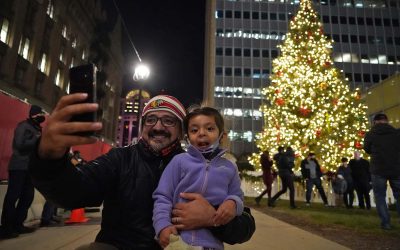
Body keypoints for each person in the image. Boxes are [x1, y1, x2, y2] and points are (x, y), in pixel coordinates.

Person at [29, 94, 255, 249]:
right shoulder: (120, 159)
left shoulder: (202, 166)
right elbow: (72, 193)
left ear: (181, 131)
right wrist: (49, 157)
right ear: (142, 125)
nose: (158, 127)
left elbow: (246, 225)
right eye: (151, 120)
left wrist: (214, 218)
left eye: (168, 121)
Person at [153, 107, 244, 249]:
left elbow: (237, 195)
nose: (202, 133)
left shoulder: (229, 168)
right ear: (187, 137)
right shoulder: (179, 161)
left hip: (212, 245)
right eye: (194, 130)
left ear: (221, 135)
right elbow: (163, 196)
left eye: (209, 128)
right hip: (178, 241)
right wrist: (163, 225)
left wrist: (232, 203)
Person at [0, 105, 45, 239]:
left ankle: (18, 224)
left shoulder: (37, 129)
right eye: (40, 114)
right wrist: (36, 139)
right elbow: (20, 144)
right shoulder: (23, 126)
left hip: (30, 168)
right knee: (13, 196)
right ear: (33, 114)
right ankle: (6, 228)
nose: (42, 117)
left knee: (27, 197)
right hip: (19, 166)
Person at [364, 113, 400, 230]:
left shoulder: (371, 134)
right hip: (396, 168)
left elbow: (367, 149)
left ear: (375, 122)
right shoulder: (396, 133)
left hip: (378, 169)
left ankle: (386, 223)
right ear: (387, 121)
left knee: (380, 196)